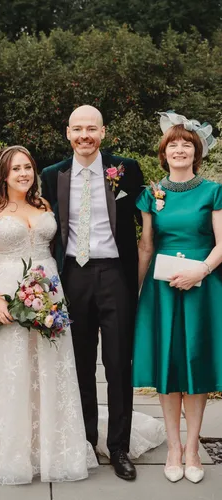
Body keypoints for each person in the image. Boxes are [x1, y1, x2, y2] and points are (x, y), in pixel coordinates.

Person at [0, 145, 99, 484]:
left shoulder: (43, 205)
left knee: (47, 368)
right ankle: (6, 449)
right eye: (16, 169)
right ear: (4, 175)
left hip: (48, 293)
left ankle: (49, 446)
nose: (24, 173)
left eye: (28, 167)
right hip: (5, 294)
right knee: (8, 370)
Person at [41, 105, 144, 480]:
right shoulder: (52, 175)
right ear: (67, 133)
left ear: (103, 132)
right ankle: (85, 442)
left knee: (118, 364)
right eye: (78, 129)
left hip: (116, 274)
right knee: (79, 363)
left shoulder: (126, 169)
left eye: (92, 129)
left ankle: (119, 448)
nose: (85, 136)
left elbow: (148, 219)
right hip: (73, 276)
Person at [133, 111, 222, 484]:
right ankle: (172, 447)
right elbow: (146, 247)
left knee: (196, 365)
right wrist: (135, 294)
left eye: (187, 144)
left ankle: (191, 448)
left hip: (203, 288)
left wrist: (200, 271)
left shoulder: (214, 191)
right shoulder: (152, 194)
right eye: (174, 144)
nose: (180, 149)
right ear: (164, 152)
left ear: (196, 152)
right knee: (168, 368)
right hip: (162, 292)